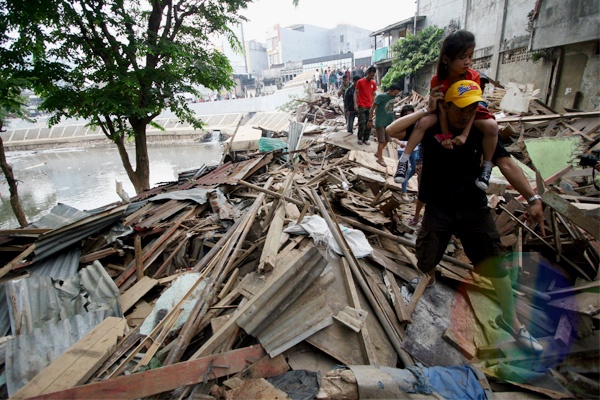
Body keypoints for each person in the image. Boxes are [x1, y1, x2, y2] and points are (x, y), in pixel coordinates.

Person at [413, 79, 544, 354]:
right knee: (426, 258)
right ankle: (426, 291)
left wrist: (532, 198)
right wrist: (426, 112)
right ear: (446, 106)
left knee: (495, 265)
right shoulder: (432, 128)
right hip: (438, 208)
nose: (465, 114)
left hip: (474, 209)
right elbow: (393, 130)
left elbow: (506, 164)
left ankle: (513, 321)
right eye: (460, 108)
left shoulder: (483, 134)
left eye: (471, 109)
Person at [392, 30, 498, 192]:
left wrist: (464, 134)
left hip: (469, 112)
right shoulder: (438, 80)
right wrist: (446, 135)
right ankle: (404, 160)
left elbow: (474, 108)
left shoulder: (473, 77)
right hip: (446, 113)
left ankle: (487, 166)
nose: (468, 61)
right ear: (447, 59)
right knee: (424, 122)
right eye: (463, 57)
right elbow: (441, 108)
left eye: (470, 56)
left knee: (492, 127)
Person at [371, 84, 402, 166]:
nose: (396, 95)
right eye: (395, 93)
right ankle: (380, 159)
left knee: (387, 140)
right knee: (381, 141)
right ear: (391, 90)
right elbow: (372, 108)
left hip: (388, 122)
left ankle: (378, 153)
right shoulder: (381, 96)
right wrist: (370, 120)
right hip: (381, 122)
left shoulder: (392, 97)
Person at [394, 105, 420, 203]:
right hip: (402, 149)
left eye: (411, 114)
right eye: (407, 114)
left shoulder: (417, 124)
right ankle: (404, 192)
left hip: (414, 149)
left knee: (414, 169)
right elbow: (394, 136)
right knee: (406, 169)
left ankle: (404, 181)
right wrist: (400, 143)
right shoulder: (401, 124)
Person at [354, 66, 377, 145]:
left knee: (369, 123)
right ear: (367, 73)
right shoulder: (360, 82)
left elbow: (373, 95)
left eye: (373, 76)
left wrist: (374, 106)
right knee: (362, 123)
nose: (372, 77)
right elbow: (356, 93)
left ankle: (366, 138)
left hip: (370, 106)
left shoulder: (373, 83)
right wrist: (356, 104)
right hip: (362, 105)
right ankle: (360, 138)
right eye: (371, 75)